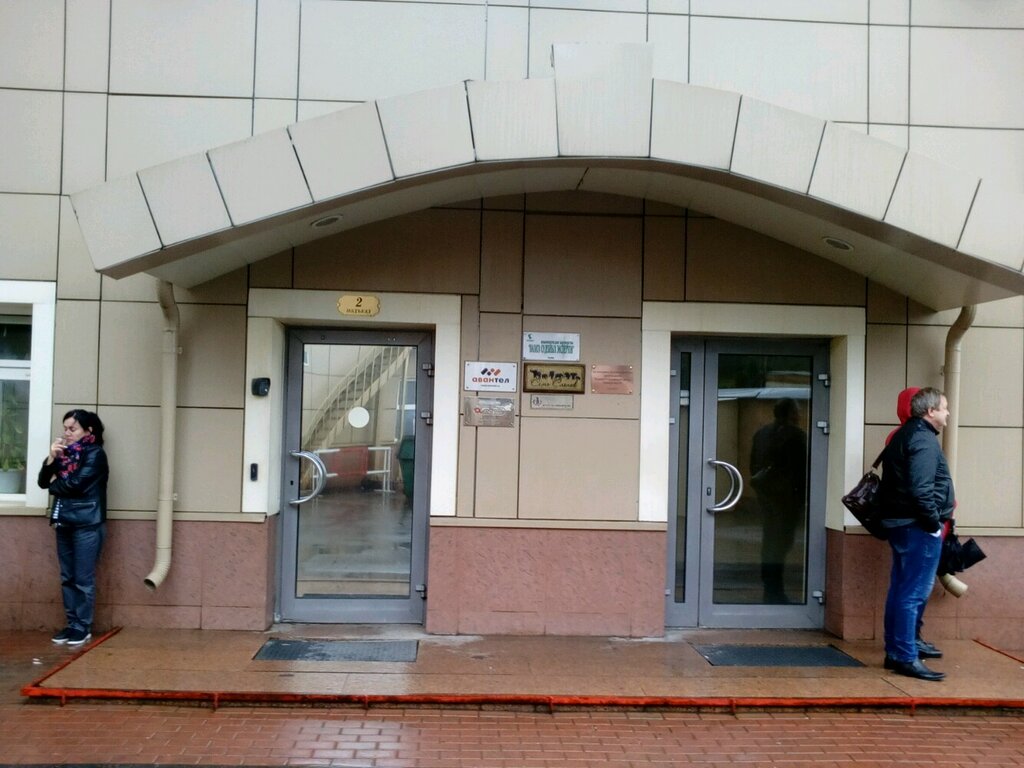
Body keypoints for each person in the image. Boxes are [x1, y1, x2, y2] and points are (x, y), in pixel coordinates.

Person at [877, 388, 954, 681]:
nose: (948, 413)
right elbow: (921, 489)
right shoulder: (923, 439)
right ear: (930, 411)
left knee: (900, 590)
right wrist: (934, 525)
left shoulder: (905, 434)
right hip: (917, 527)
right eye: (944, 408)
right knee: (912, 593)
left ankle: (896, 652)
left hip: (903, 524)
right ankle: (906, 657)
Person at [38, 409, 109, 647]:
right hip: (64, 521)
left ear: (88, 431)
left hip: (87, 523)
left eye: (73, 428)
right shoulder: (63, 454)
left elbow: (76, 485)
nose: (67, 433)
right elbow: (42, 481)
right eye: (65, 428)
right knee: (67, 577)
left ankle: (82, 627)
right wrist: (51, 459)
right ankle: (71, 624)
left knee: (82, 579)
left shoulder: (95, 454)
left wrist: (55, 484)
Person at [749, 398, 808, 604]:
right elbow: (803, 470)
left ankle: (769, 587)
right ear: (791, 414)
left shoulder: (761, 433)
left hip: (766, 496)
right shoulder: (797, 436)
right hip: (787, 500)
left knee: (769, 542)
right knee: (781, 544)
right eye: (797, 411)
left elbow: (753, 465)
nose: (799, 415)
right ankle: (775, 591)